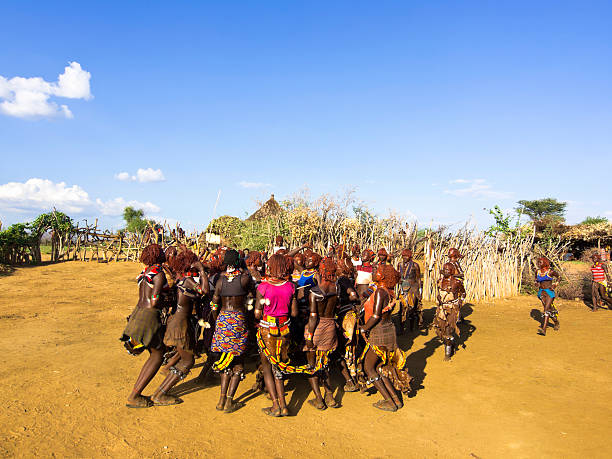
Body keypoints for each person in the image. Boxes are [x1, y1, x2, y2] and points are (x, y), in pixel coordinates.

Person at [150, 250, 203, 406]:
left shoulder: (179, 279)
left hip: (176, 321)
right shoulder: (188, 280)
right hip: (181, 323)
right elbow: (204, 290)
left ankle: (161, 389)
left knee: (186, 357)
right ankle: (160, 394)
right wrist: (201, 270)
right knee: (188, 361)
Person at [120, 244, 169, 408]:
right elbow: (155, 300)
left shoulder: (144, 273)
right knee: (157, 355)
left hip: (138, 313)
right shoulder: (158, 274)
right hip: (149, 316)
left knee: (156, 352)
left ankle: (135, 393)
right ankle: (134, 395)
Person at [209, 249, 254, 412]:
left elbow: (214, 304)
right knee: (238, 362)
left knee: (225, 360)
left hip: (222, 319)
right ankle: (229, 401)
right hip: (238, 319)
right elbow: (251, 299)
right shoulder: (244, 279)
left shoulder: (220, 281)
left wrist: (217, 320)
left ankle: (221, 400)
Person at [254, 254, 298, 417]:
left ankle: (275, 406)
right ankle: (284, 406)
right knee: (278, 367)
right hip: (284, 331)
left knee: (267, 369)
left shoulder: (263, 287)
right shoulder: (290, 287)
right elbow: (294, 313)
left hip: (267, 331)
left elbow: (257, 315)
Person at [360, 264, 406, 411]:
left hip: (379, 333)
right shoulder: (390, 292)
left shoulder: (380, 292)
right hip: (388, 331)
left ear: (384, 277)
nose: (375, 273)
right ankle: (395, 400)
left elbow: (376, 315)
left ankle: (389, 401)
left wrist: (364, 328)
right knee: (380, 367)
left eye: (378, 272)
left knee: (369, 367)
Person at [304, 258, 342, 410]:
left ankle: (319, 399)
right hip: (331, 326)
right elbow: (337, 308)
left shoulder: (314, 292)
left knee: (312, 365)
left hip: (317, 328)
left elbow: (313, 317)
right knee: (325, 363)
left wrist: (309, 336)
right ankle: (330, 396)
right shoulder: (337, 289)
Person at [434, 263, 466, 360]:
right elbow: (438, 293)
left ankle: (447, 354)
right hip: (441, 308)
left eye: (448, 270)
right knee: (440, 329)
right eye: (444, 269)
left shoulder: (457, 282)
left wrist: (460, 302)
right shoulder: (440, 281)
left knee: (448, 330)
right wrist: (439, 298)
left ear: (452, 271)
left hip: (452, 308)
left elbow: (463, 293)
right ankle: (451, 343)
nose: (445, 271)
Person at [398, 249, 423, 332]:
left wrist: (420, 290)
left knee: (412, 309)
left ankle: (411, 328)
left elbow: (418, 278)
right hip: (403, 288)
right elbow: (398, 276)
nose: (405, 258)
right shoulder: (400, 264)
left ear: (410, 257)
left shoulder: (415, 265)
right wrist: (399, 281)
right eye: (403, 256)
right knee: (402, 309)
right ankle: (401, 328)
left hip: (413, 289)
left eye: (407, 256)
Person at [535, 257, 560, 335]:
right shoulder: (537, 271)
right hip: (541, 292)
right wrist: (536, 283)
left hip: (549, 292)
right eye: (538, 262)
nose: (539, 264)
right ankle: (556, 322)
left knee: (546, 310)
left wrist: (555, 285)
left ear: (545, 263)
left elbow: (559, 277)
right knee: (549, 309)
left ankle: (544, 329)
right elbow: (536, 279)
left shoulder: (550, 272)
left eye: (540, 262)